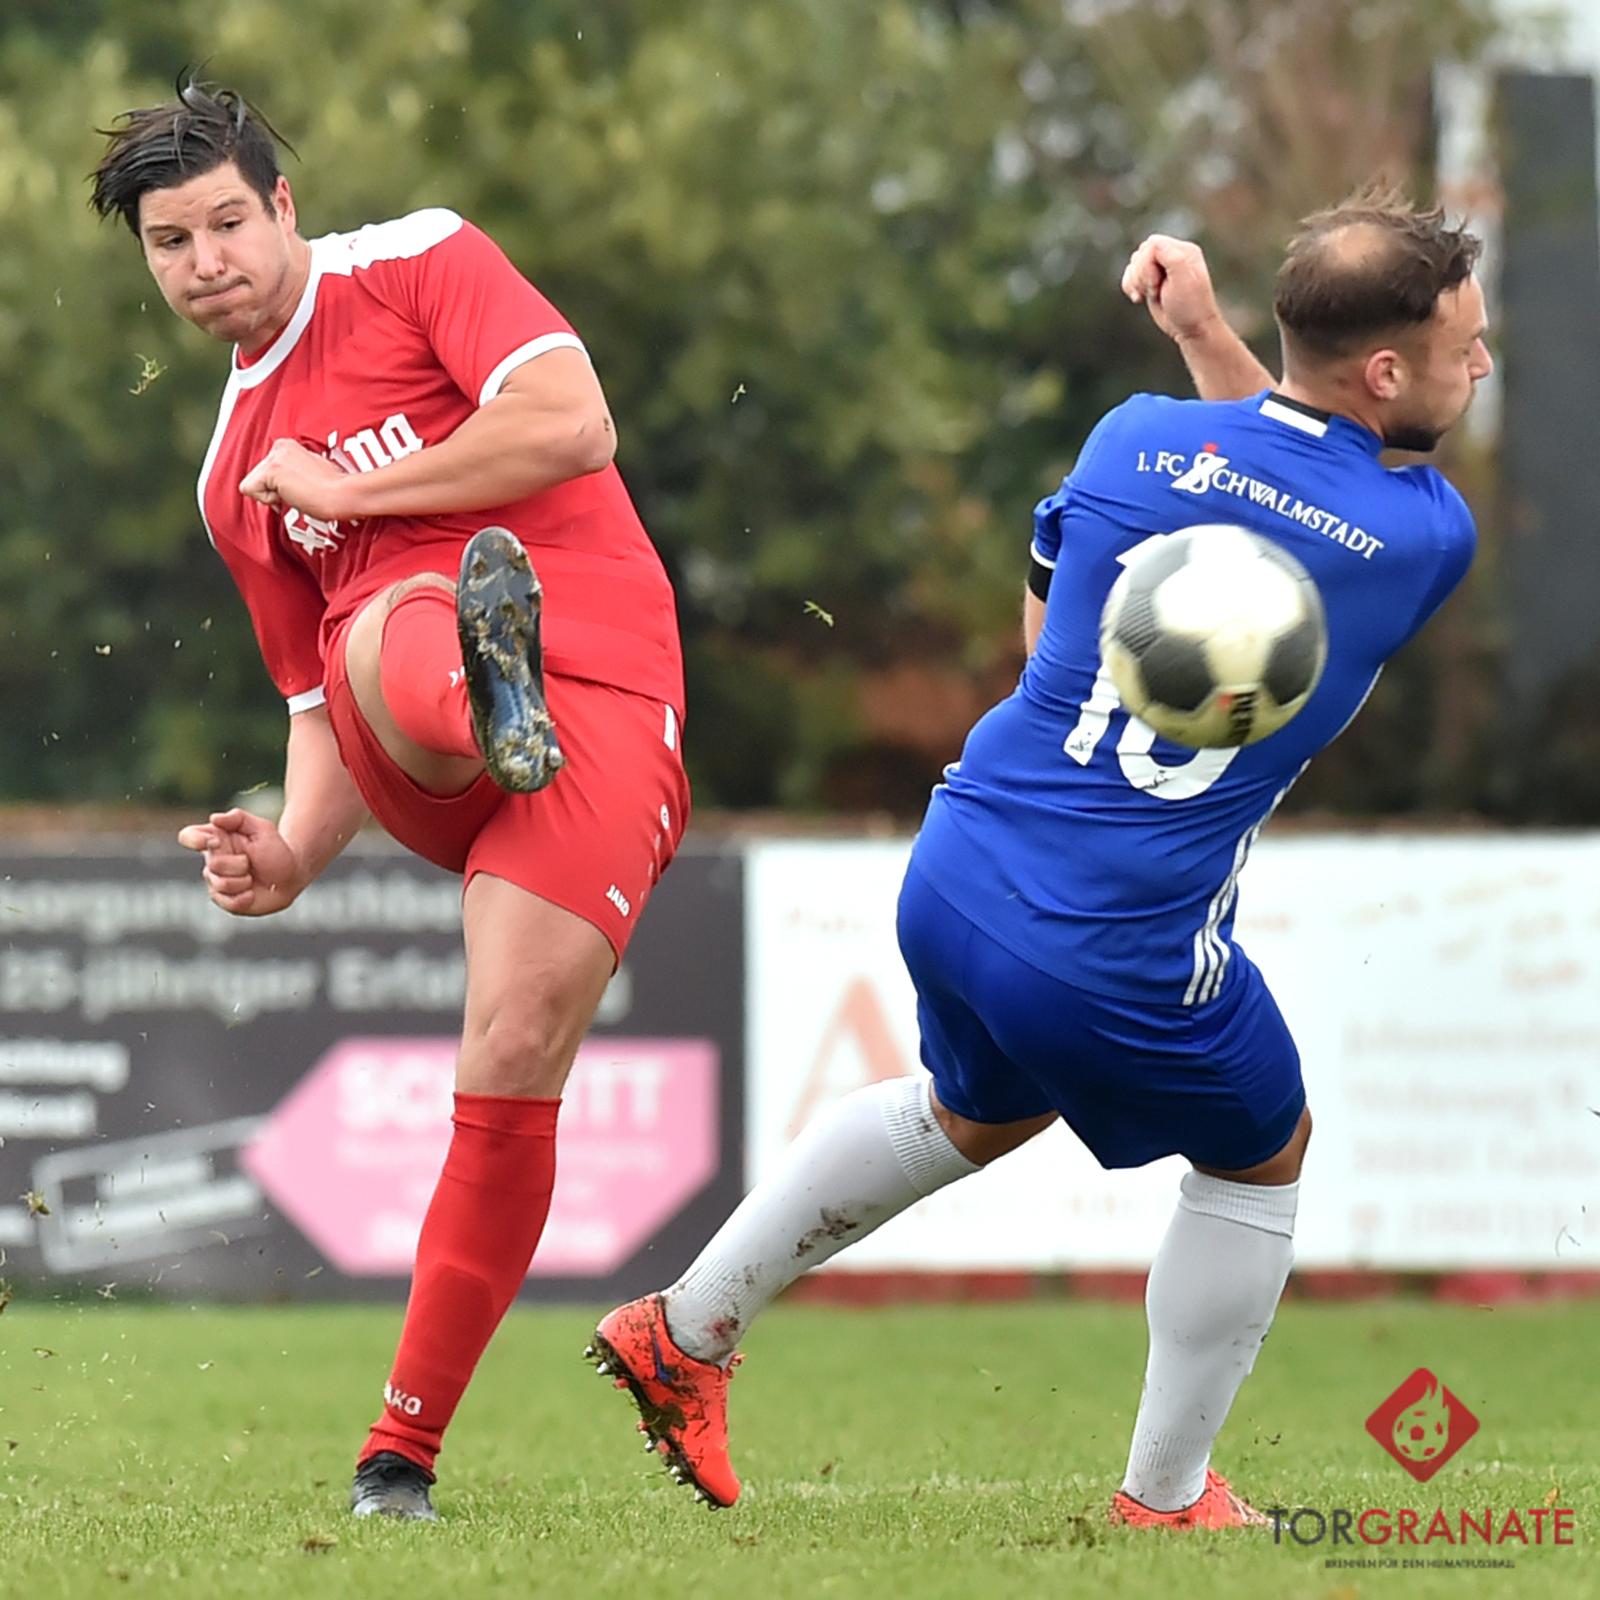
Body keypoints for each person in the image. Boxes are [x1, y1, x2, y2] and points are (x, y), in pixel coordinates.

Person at [590, 189, 1490, 1524]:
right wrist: (1214, 341)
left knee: (974, 1114)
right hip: (1112, 938)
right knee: (1264, 1146)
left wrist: (1201, 339)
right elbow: (1309, 483)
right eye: (1466, 345)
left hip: (962, 861)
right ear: (1388, 374)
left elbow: (1084, 591)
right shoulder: (1423, 533)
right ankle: (1166, 1497)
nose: (1484, 364)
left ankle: (687, 1327)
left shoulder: (1134, 437)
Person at [90, 78, 690, 1521]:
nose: (206, 262)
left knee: (516, 1046)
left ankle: (397, 1455)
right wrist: (294, 852)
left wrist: (357, 492)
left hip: (610, 687)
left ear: (283, 205)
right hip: (408, 725)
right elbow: (312, 705)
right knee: (393, 619)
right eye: (171, 243)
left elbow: (576, 423)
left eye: (227, 223)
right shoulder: (234, 473)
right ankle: (484, 693)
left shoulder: (419, 259)